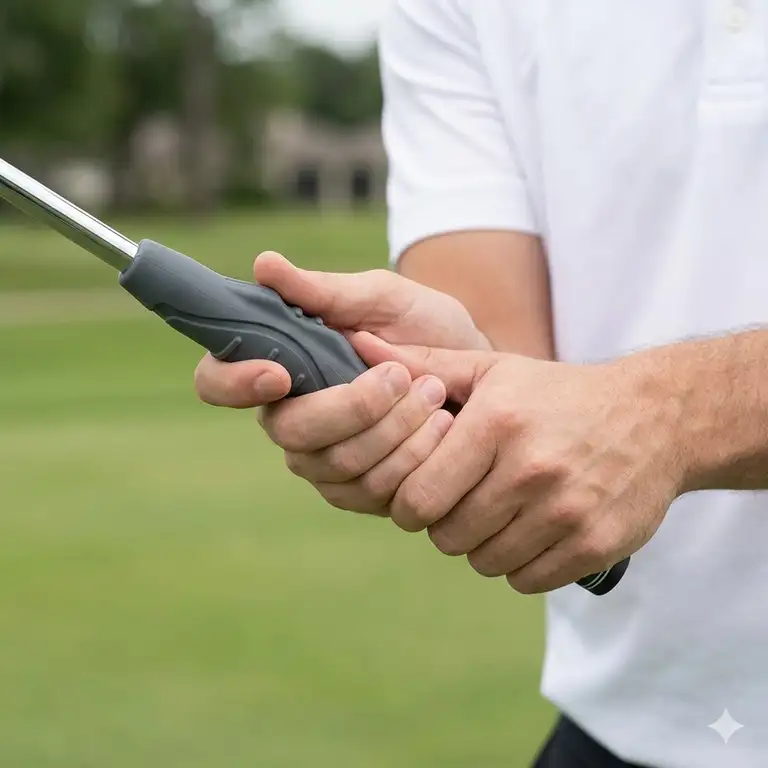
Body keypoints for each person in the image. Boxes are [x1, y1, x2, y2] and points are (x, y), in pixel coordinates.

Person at [193, 2, 768, 766]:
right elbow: (507, 374)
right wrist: (448, 401)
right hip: (632, 723)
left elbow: (644, 422)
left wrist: (673, 420)